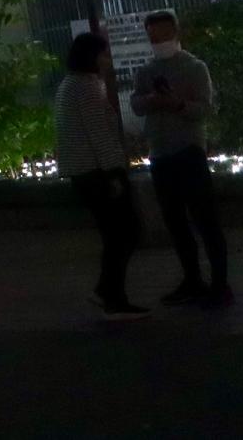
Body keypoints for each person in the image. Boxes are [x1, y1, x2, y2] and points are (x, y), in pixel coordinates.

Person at [129, 10, 231, 306]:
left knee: (205, 219)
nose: (158, 40)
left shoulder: (194, 67)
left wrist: (177, 104)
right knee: (175, 222)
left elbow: (204, 109)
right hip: (159, 153)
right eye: (153, 36)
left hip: (189, 150)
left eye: (162, 34)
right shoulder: (146, 71)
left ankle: (220, 283)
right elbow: (136, 103)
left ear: (175, 33)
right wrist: (151, 100)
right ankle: (192, 279)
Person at [54, 32, 144, 319]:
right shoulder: (86, 87)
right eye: (104, 54)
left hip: (83, 171)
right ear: (93, 56)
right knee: (124, 232)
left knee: (116, 234)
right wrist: (114, 172)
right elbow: (99, 134)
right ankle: (113, 297)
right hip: (96, 172)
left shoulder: (70, 85)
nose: (107, 60)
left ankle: (107, 291)